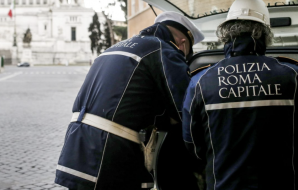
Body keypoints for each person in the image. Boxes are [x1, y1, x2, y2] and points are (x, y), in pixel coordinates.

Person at [55, 11, 204, 190]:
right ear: (182, 44)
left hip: (76, 143)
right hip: (110, 151)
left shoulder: (114, 48)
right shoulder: (163, 48)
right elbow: (185, 108)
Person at [183, 0, 298, 190]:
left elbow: (192, 143)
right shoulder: (294, 75)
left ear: (225, 34)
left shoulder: (200, 82)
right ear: (265, 33)